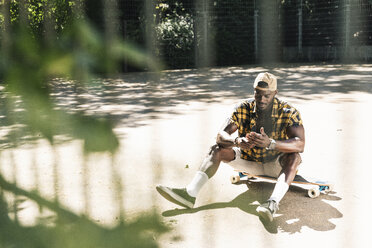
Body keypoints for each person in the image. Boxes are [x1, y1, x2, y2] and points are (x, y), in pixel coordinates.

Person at [156, 72, 305, 222]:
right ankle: (189, 194)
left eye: (266, 95)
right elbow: (221, 135)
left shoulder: (288, 112)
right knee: (216, 148)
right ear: (254, 91)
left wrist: (270, 143)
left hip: (276, 165)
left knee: (295, 156)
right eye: (258, 94)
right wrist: (237, 141)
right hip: (249, 161)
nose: (261, 99)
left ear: (275, 93)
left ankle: (272, 203)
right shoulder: (243, 107)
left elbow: (300, 143)